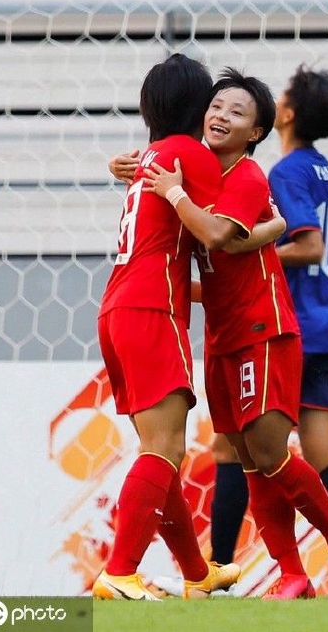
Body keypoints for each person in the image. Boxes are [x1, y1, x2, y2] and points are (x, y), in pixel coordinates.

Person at [132, 67, 328, 600]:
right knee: (244, 459)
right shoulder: (197, 177)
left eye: (237, 113)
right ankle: (291, 574)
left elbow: (219, 237)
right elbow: (213, 260)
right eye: (217, 107)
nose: (221, 116)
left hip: (264, 330)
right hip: (221, 334)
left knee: (271, 453)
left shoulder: (246, 177)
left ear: (257, 132)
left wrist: (173, 195)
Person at [203, 64, 328, 597]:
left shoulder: (285, 172)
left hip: (293, 327)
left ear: (283, 114)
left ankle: (218, 574)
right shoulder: (324, 169)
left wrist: (251, 253)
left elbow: (308, 244)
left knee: (232, 449)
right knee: (322, 454)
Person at [94, 53, 241, 601]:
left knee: (161, 450)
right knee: (164, 449)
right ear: (200, 107)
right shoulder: (188, 156)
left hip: (119, 310)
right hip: (152, 311)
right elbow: (230, 222)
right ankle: (120, 571)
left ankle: (197, 576)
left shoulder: (153, 157)